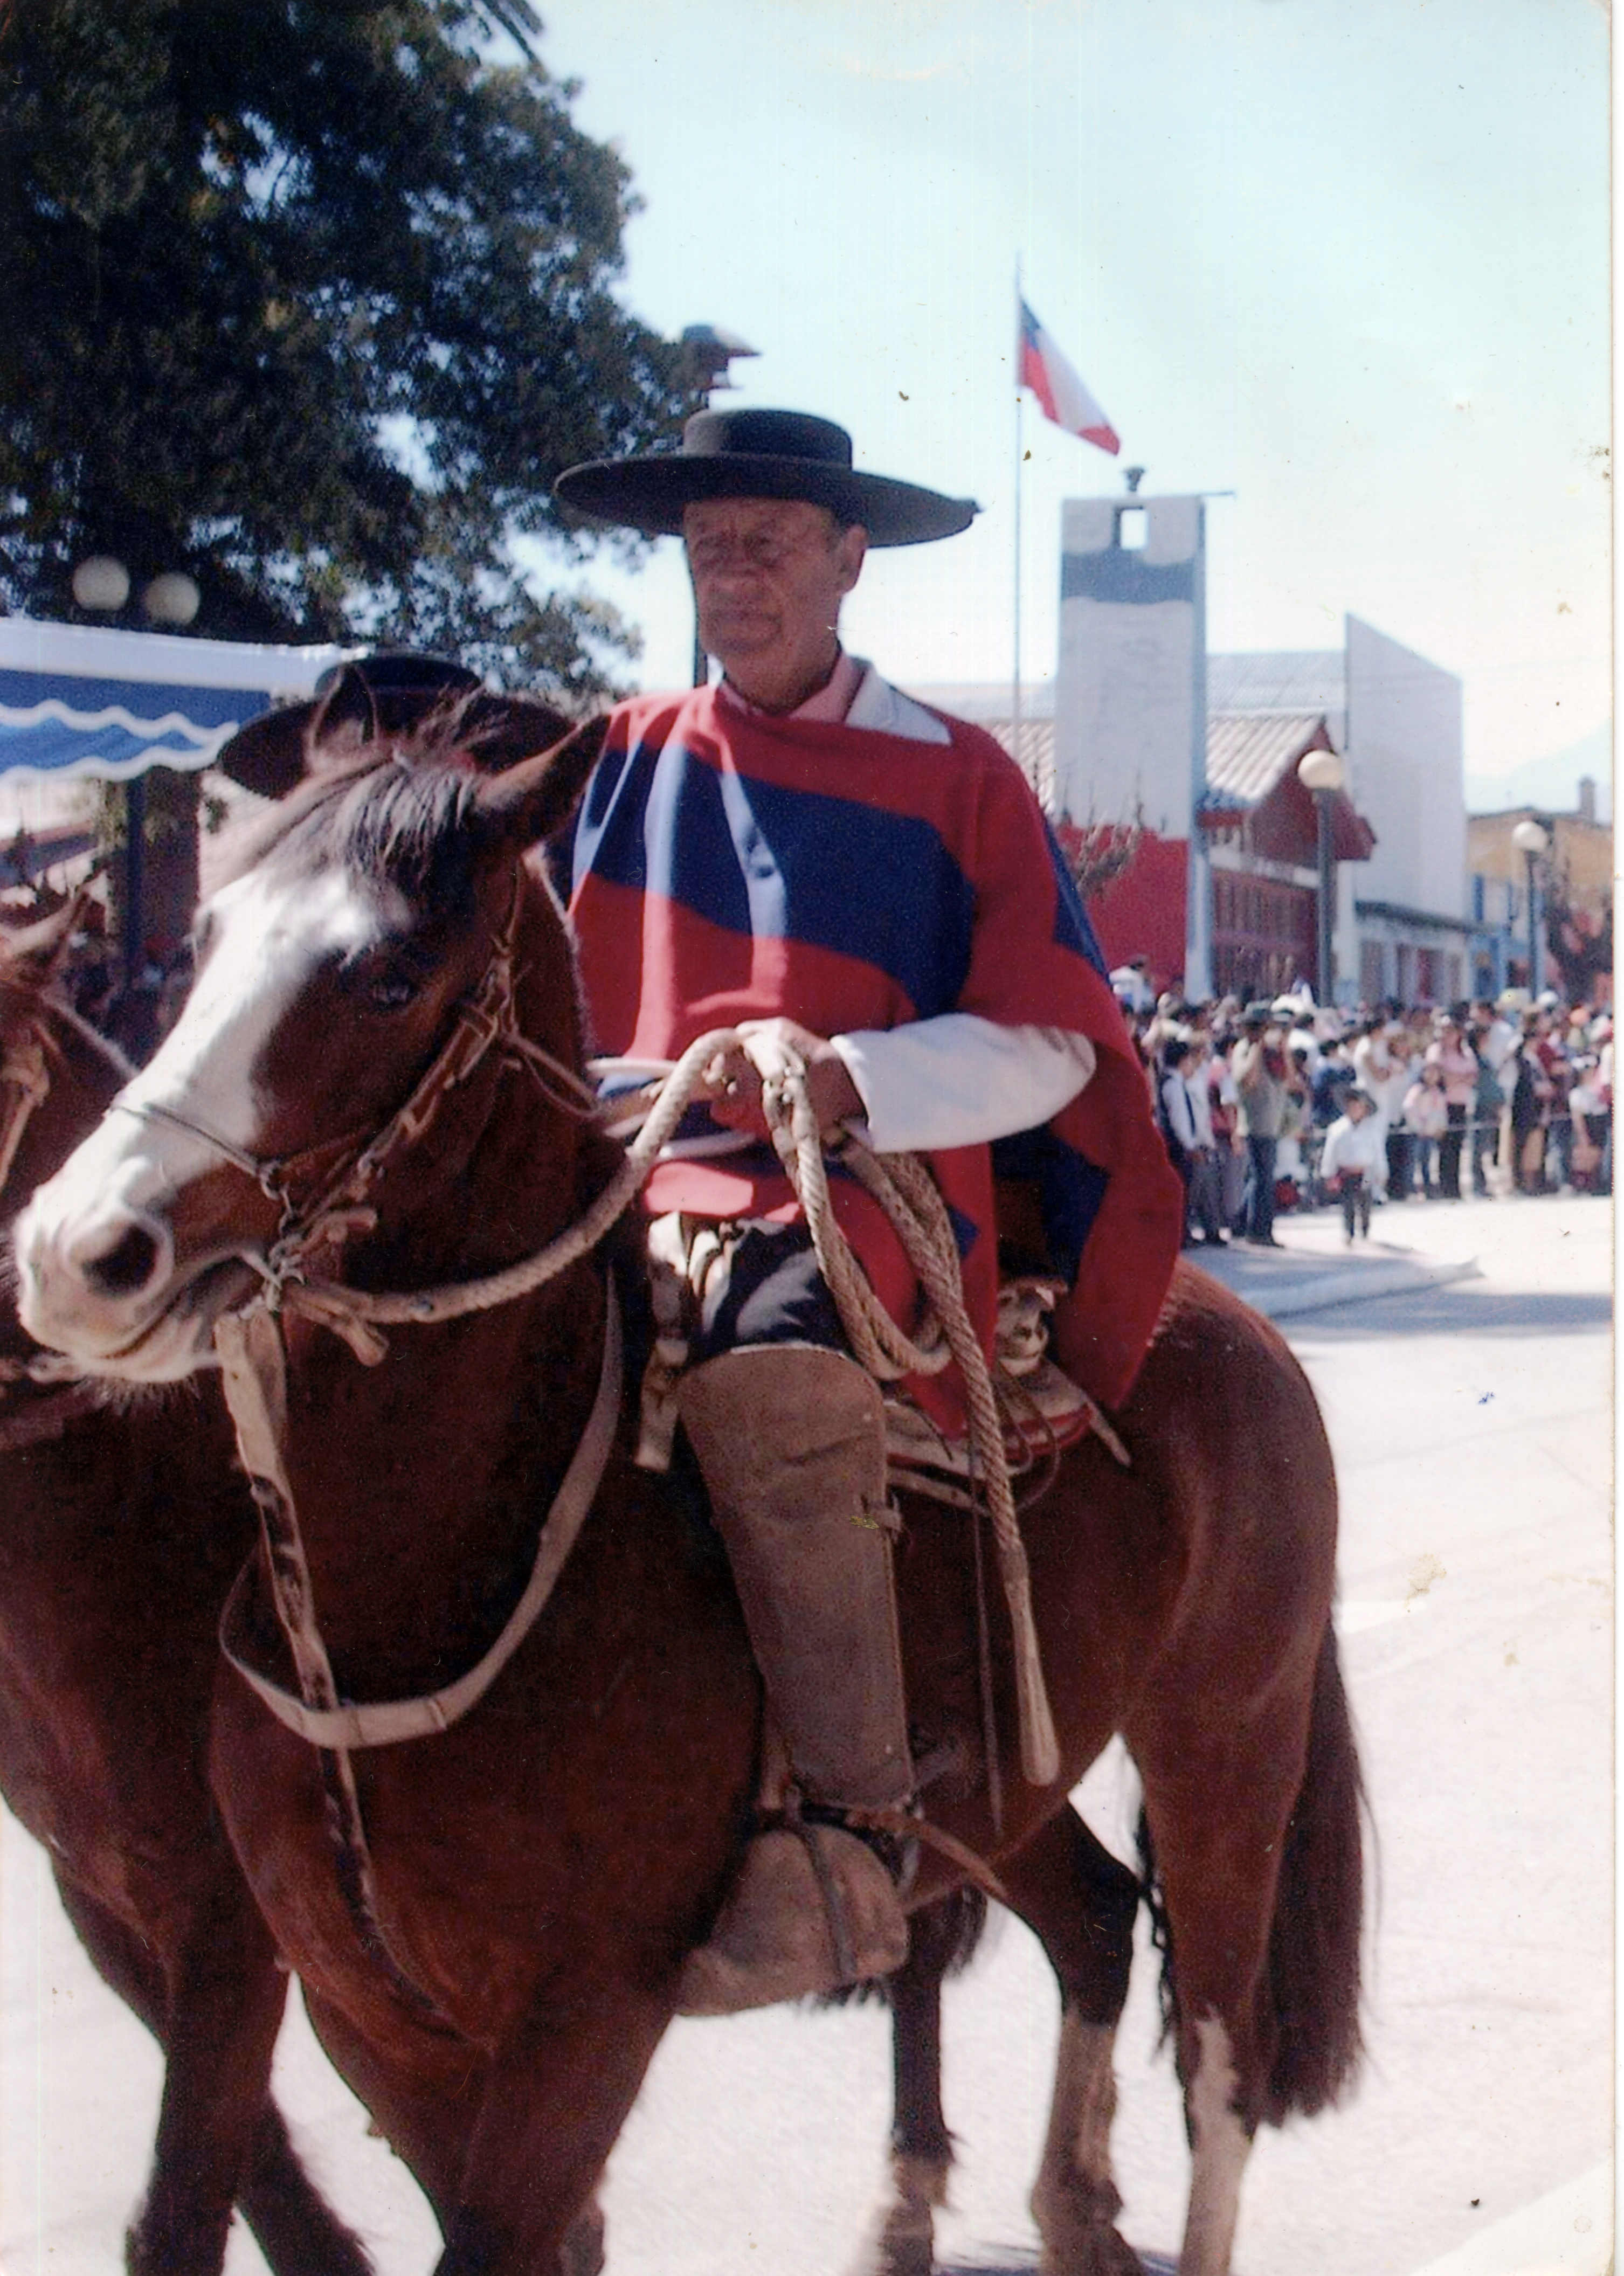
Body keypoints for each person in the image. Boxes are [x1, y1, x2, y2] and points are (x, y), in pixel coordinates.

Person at [554, 408, 1183, 2008]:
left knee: (766, 1360)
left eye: (769, 542)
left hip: (853, 1194)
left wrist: (841, 1082)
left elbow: (1053, 1042)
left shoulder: (955, 776)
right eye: (709, 546)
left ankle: (845, 1839)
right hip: (619, 1167)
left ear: (849, 560)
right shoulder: (617, 759)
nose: (735, 573)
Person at [1231, 1002, 1286, 1246]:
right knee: (1261, 1180)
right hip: (1255, 1122)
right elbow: (1247, 1080)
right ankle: (1258, 1230)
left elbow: (1288, 1078)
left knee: (1263, 1178)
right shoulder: (1245, 1049)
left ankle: (1240, 1223)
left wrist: (1282, 1047)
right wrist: (1256, 1048)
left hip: (1272, 1120)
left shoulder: (1273, 1052)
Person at [1319, 1087, 1385, 1244]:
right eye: (1352, 1107)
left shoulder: (1372, 1129)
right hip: (1347, 1173)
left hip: (1366, 1172)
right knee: (1348, 1202)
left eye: (1359, 1107)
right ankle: (1348, 1231)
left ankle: (1365, 1228)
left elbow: (1378, 1152)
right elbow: (1330, 1152)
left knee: (1366, 1201)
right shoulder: (1337, 1129)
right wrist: (1328, 1173)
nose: (1356, 1110)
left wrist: (1381, 1172)